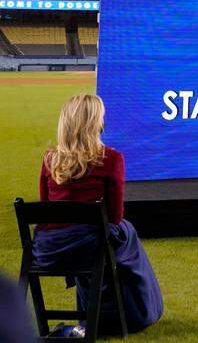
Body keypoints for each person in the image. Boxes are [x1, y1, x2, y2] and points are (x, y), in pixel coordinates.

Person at [33, 94, 163, 335]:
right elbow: (114, 216)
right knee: (123, 233)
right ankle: (142, 311)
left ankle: (96, 315)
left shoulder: (49, 160)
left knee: (102, 236)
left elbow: (46, 211)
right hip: (89, 248)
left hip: (48, 251)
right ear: (95, 123)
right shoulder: (111, 159)